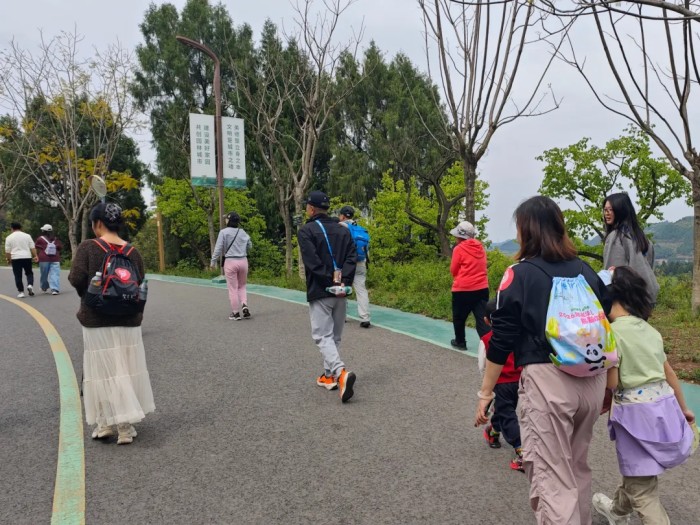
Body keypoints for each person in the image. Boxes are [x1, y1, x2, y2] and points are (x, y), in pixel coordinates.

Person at [474, 196, 611, 524]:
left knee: (552, 477)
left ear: (526, 230)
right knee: (577, 466)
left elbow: (502, 339)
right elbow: (607, 322)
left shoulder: (519, 274)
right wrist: (610, 385)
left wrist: (486, 392)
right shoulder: (585, 270)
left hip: (549, 383)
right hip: (592, 380)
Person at [592, 266, 695, 525]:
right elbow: (669, 374)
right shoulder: (650, 331)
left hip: (635, 417)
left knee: (643, 490)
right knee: (639, 472)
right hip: (664, 408)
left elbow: (613, 383)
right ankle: (617, 510)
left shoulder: (611, 334)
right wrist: (684, 409)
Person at [68, 202, 155, 445]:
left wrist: (90, 295)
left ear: (97, 223)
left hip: (96, 319)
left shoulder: (88, 247)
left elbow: (75, 278)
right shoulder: (133, 252)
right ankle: (125, 427)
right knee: (125, 369)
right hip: (128, 320)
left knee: (101, 371)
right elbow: (139, 283)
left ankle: (104, 423)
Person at [298, 190, 357, 403]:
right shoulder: (343, 230)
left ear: (311, 209)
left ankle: (340, 373)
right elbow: (352, 257)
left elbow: (312, 262)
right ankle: (328, 375)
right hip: (342, 291)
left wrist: (327, 282)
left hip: (321, 290)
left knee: (322, 336)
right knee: (334, 337)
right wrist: (344, 282)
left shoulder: (306, 231)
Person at [477, 299, 523, 472]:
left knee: (507, 413)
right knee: (505, 409)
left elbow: (482, 365)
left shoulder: (486, 339)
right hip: (520, 381)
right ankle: (494, 431)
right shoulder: (519, 335)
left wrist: (486, 388)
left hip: (501, 383)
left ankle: (521, 450)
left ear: (486, 320)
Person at [603, 192, 659, 304]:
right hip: (647, 296)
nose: (607, 213)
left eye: (611, 210)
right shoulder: (642, 238)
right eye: (605, 210)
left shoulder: (616, 237)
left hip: (628, 300)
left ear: (621, 211)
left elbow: (611, 273)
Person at [449, 220, 489, 349]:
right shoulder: (481, 247)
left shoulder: (458, 249)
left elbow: (453, 270)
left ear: (460, 236)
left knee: (459, 317)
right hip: (482, 288)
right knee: (482, 319)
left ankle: (460, 342)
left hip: (463, 289)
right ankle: (490, 346)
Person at [211, 211, 252, 320]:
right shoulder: (243, 232)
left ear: (229, 220)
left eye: (226, 218)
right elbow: (250, 245)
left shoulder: (223, 232)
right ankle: (244, 305)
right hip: (243, 261)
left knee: (233, 288)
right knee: (242, 286)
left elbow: (218, 248)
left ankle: (235, 313)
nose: (225, 220)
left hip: (230, 262)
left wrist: (213, 261)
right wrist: (242, 249)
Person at [338, 205, 371, 328]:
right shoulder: (361, 229)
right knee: (361, 290)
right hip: (361, 262)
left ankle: (342, 316)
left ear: (342, 216)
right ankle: (365, 318)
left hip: (346, 263)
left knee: (342, 288)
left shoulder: (340, 227)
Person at [4, 222, 38, 298]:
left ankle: (21, 292)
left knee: (18, 275)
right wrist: (35, 256)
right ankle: (30, 285)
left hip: (15, 258)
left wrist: (8, 259)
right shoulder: (27, 236)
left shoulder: (9, 237)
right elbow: (32, 247)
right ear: (21, 228)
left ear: (12, 228)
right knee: (29, 273)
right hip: (27, 257)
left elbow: (7, 251)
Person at [35, 224, 63, 295]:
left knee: (44, 274)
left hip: (44, 259)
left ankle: (44, 287)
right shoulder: (56, 239)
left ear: (43, 231)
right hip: (55, 258)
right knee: (55, 274)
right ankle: (55, 289)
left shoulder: (40, 239)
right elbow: (60, 247)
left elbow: (36, 246)